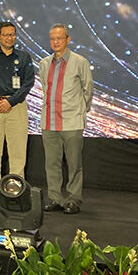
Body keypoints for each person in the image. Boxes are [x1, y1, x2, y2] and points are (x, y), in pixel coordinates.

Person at [0, 22, 35, 204]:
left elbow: (28, 84)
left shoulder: (24, 58)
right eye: (6, 35)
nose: (10, 38)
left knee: (17, 154)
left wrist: (10, 102)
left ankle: (15, 194)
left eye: (12, 34)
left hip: (16, 107)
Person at [40, 24, 93, 214]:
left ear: (68, 40)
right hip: (49, 121)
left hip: (72, 122)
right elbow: (45, 90)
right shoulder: (44, 63)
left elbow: (88, 91)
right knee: (51, 164)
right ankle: (55, 198)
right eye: (52, 38)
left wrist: (79, 111)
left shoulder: (80, 62)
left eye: (59, 38)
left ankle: (73, 199)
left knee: (73, 163)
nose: (55, 42)